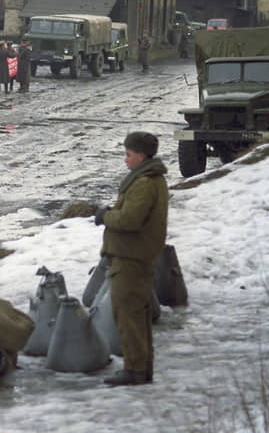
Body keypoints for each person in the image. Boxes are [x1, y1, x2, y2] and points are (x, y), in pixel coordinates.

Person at [95, 131, 168, 386]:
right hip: (136, 255)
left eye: (128, 154)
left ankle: (135, 369)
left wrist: (105, 216)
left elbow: (130, 220)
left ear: (140, 155)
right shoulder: (149, 179)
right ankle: (141, 367)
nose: (125, 160)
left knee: (128, 313)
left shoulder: (144, 183)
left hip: (131, 257)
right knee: (138, 313)